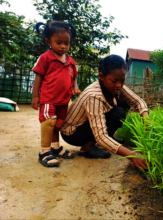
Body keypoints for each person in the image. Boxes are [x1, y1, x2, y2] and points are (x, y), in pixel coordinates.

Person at [61, 55, 148, 170]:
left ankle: (110, 138)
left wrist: (147, 121)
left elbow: (138, 101)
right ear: (102, 76)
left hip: (85, 125)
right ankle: (87, 148)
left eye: (122, 80)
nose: (119, 85)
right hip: (73, 133)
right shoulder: (94, 96)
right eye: (114, 81)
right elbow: (101, 136)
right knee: (118, 113)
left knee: (124, 103)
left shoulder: (116, 86)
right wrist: (133, 156)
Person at [31, 21, 81, 167]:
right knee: (49, 121)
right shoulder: (45, 58)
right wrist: (36, 97)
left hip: (63, 101)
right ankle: (44, 152)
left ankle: (55, 147)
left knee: (58, 125)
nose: (63, 46)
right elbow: (38, 77)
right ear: (48, 42)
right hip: (48, 99)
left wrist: (75, 87)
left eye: (67, 43)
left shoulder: (70, 61)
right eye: (59, 42)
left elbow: (74, 77)